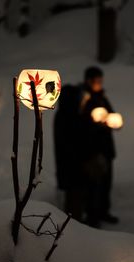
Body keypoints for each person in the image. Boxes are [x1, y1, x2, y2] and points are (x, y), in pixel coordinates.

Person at [80, 66, 118, 228]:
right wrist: (97, 124)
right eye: (97, 80)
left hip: (106, 148)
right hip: (92, 150)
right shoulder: (84, 98)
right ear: (89, 81)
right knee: (94, 183)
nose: (100, 83)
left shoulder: (102, 97)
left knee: (106, 182)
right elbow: (81, 123)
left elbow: (111, 114)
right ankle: (92, 216)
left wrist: (114, 121)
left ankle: (103, 211)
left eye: (101, 80)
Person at [54, 84, 85, 221]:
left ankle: (74, 223)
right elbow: (71, 143)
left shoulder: (64, 114)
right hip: (72, 166)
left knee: (74, 197)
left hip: (69, 166)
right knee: (74, 199)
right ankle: (73, 226)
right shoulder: (68, 117)